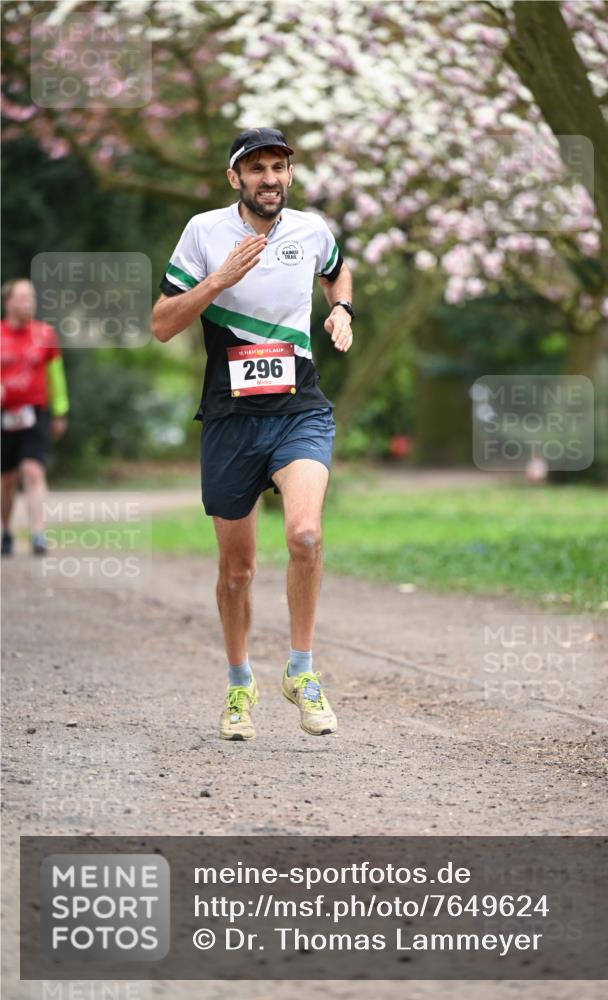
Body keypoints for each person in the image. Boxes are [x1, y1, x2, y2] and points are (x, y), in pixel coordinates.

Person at [152, 128, 354, 741]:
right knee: (237, 572)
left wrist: (342, 308)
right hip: (230, 419)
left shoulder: (312, 229)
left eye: (279, 167)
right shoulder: (204, 233)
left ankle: (301, 671)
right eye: (257, 168)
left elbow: (337, 273)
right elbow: (161, 324)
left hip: (299, 409)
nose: (271, 178)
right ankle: (240, 683)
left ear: (289, 175)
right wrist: (217, 282)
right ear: (235, 177)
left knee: (306, 534)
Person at [1, 278, 69, 556]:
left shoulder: (45, 334)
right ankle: (6, 532)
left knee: (32, 470)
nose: (29, 302)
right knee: (6, 478)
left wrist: (60, 411)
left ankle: (38, 534)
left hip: (36, 412)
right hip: (5, 414)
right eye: (22, 297)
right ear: (8, 302)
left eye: (31, 297)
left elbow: (56, 375)